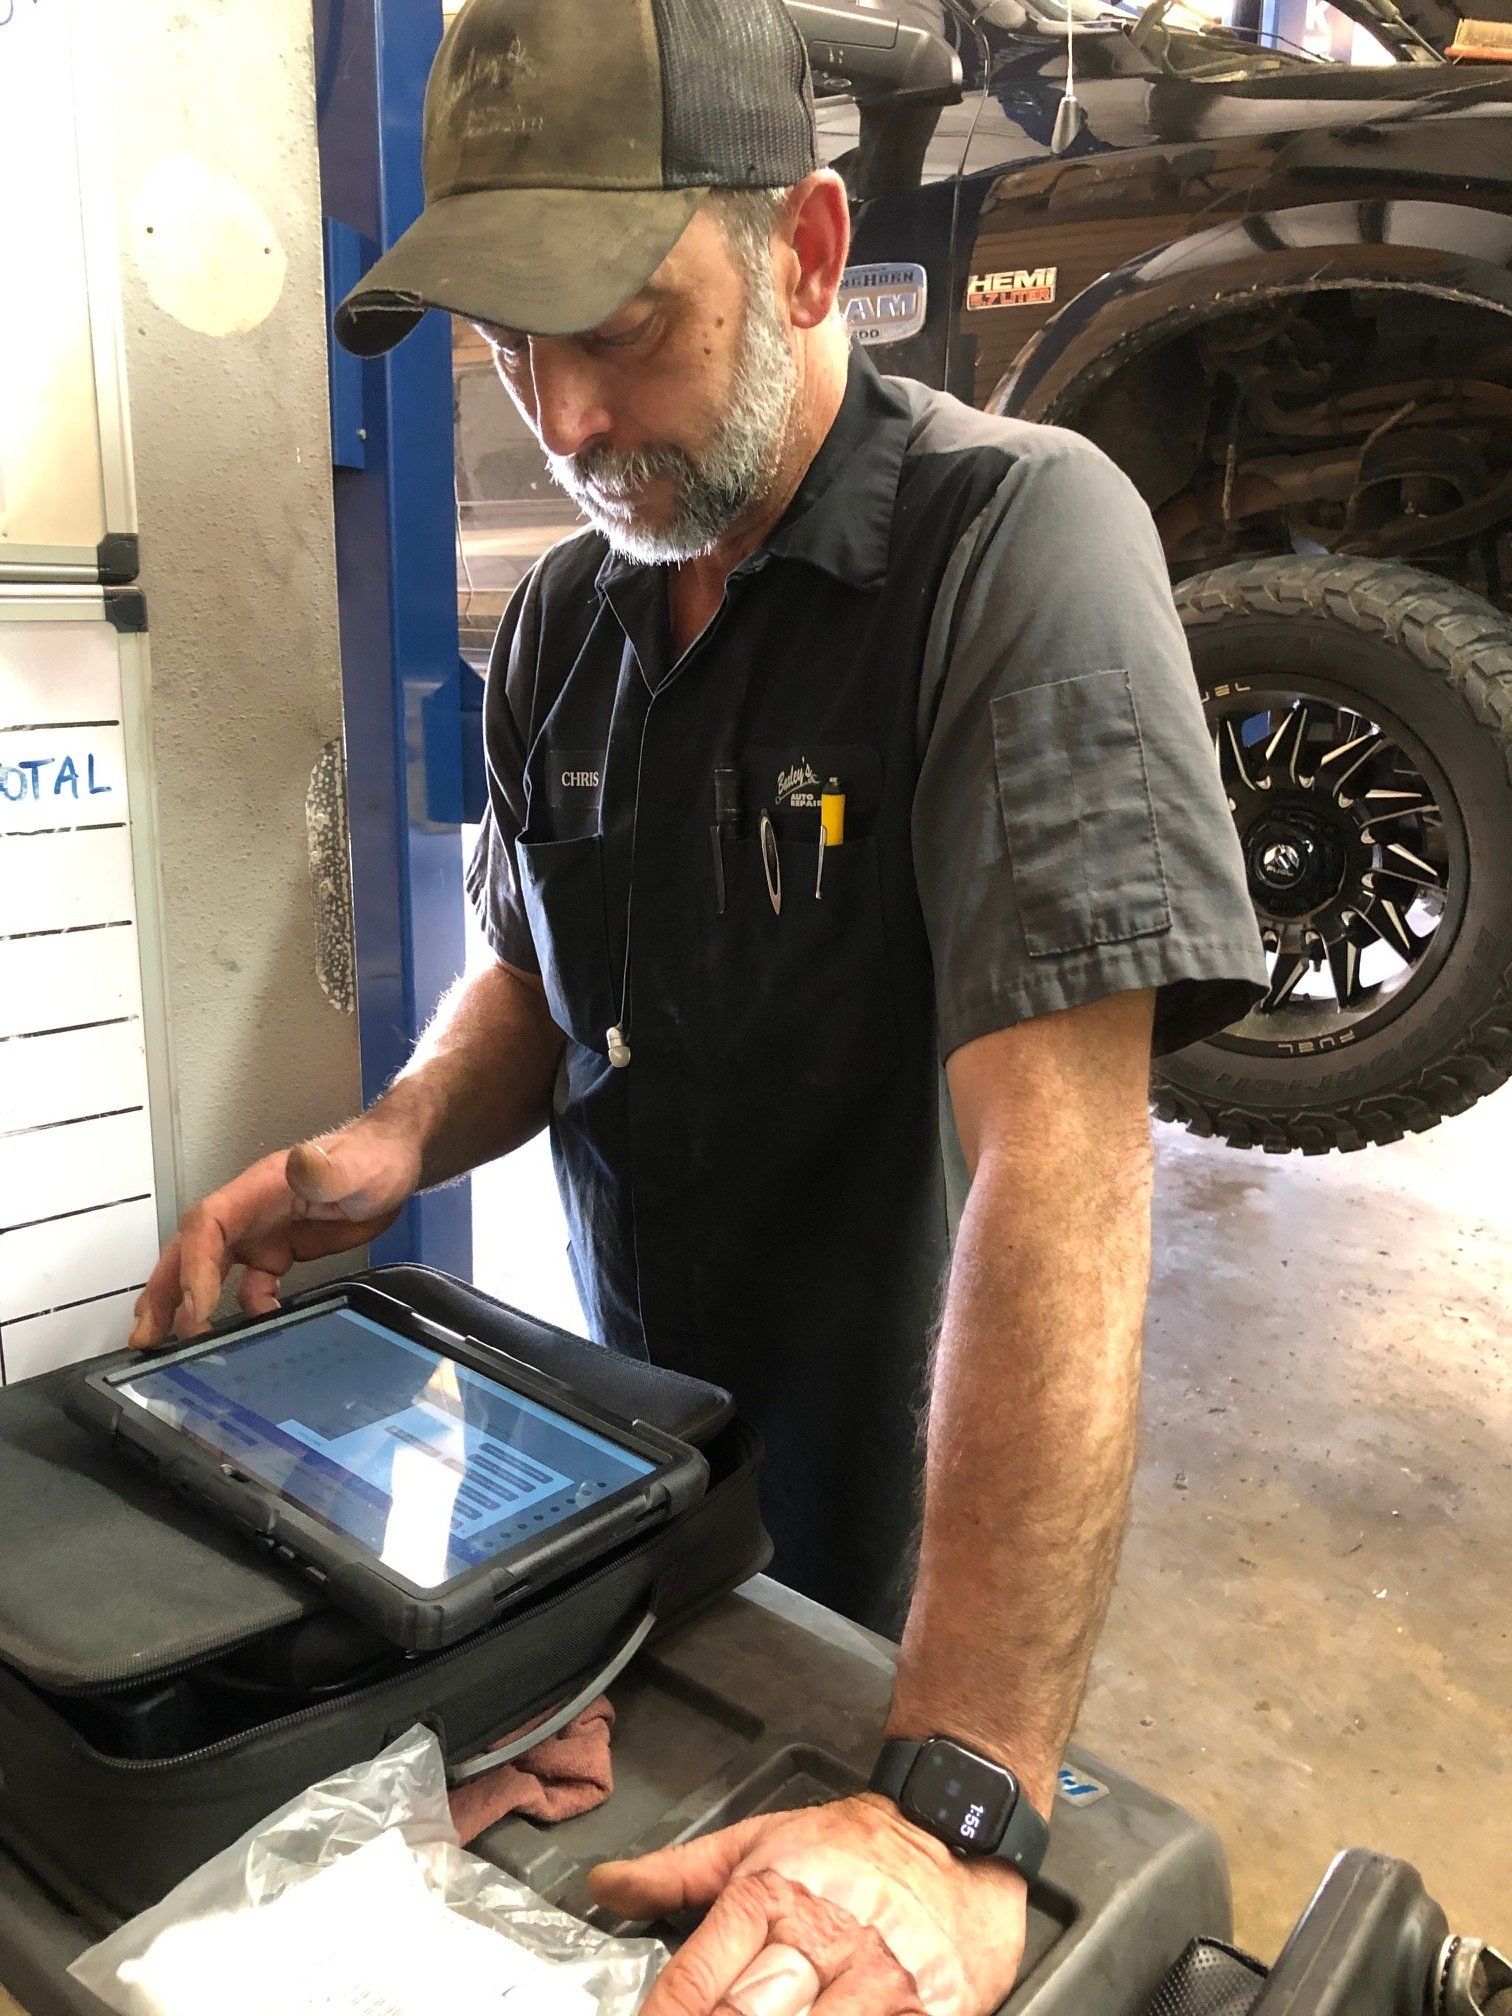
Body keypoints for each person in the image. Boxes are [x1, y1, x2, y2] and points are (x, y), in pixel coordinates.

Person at [131, 0, 1266, 2008]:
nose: (564, 418)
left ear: (809, 252)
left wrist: (961, 1800)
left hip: (913, 1546)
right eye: (511, 345)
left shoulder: (1013, 549)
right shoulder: (565, 621)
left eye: (623, 328)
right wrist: (393, 1138)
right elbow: (539, 974)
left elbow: (1066, 1174)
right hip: (642, 1521)